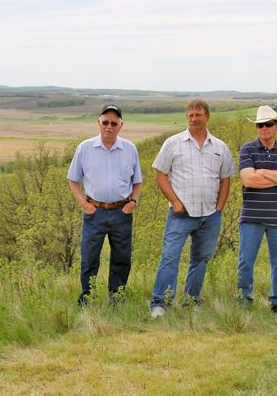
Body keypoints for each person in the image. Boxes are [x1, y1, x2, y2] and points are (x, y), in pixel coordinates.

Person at [149, 98, 234, 317]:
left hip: (210, 215)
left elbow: (226, 179)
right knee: (170, 257)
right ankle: (161, 303)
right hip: (181, 214)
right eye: (190, 115)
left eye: (198, 114)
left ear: (207, 116)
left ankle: (191, 299)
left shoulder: (220, 147)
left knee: (201, 259)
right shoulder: (173, 143)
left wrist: (220, 208)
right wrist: (175, 202)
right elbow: (160, 174)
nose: (194, 119)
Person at [67, 104, 143, 305]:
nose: (109, 126)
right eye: (105, 122)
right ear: (98, 123)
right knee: (89, 259)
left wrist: (133, 202)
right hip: (95, 212)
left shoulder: (130, 149)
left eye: (114, 123)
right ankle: (87, 298)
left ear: (121, 125)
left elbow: (137, 181)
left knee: (121, 258)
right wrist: (84, 204)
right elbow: (73, 180)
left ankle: (116, 299)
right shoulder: (85, 148)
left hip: (122, 211)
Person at [237, 105, 277, 313]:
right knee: (246, 261)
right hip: (251, 216)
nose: (263, 128)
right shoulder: (247, 149)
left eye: (268, 124)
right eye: (259, 125)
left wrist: (262, 171)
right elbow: (248, 179)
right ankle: (243, 299)